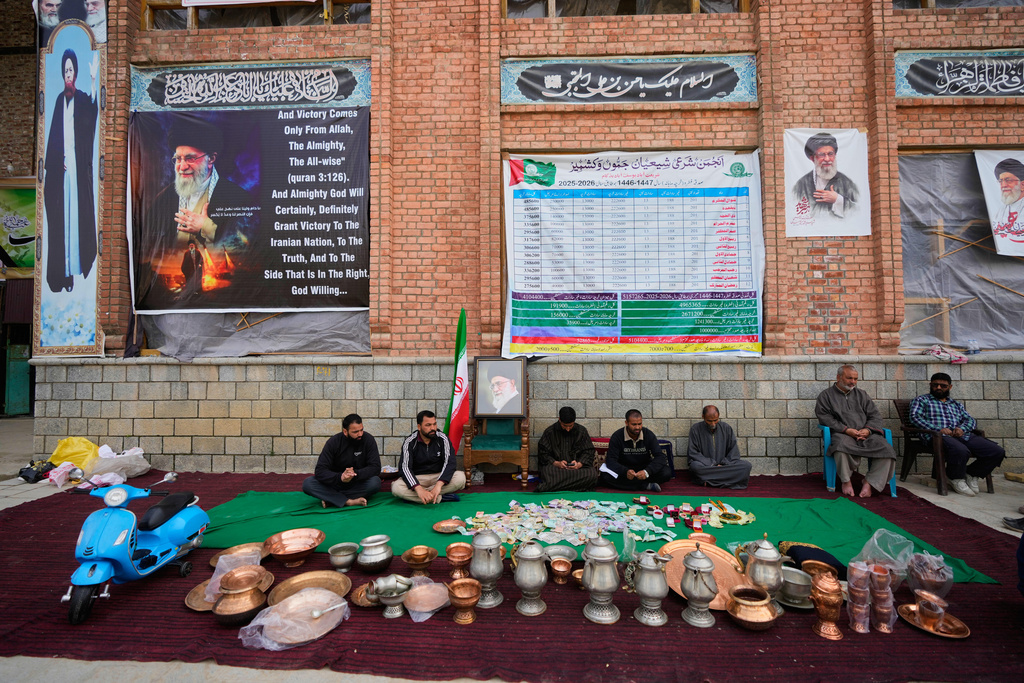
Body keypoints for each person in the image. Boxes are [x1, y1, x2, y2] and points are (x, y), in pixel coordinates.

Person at [139, 118, 257, 304]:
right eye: (178, 158)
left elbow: (250, 249)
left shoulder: (237, 197)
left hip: (222, 298)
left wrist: (207, 227)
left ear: (211, 159)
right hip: (170, 297)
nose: (182, 166)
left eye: (190, 158)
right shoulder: (163, 200)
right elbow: (148, 248)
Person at [44, 48, 98, 294]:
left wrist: (95, 80)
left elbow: (94, 111)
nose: (68, 74)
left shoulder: (82, 98)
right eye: (65, 70)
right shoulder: (58, 100)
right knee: (61, 221)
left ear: (76, 73)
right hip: (62, 172)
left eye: (71, 70)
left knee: (75, 219)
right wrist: (57, 162)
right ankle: (62, 275)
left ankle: (74, 271)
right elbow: (54, 139)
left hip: (77, 172)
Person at [910, 372, 1005, 497]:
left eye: (943, 386)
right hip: (936, 437)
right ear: (930, 385)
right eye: (935, 385)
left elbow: (970, 420)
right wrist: (939, 429)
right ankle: (955, 478)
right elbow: (915, 418)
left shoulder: (956, 404)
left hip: (961, 435)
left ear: (950, 387)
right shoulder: (922, 400)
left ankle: (972, 474)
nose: (938, 388)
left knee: (996, 451)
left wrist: (962, 428)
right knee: (960, 450)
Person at [814, 365, 897, 498]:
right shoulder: (826, 396)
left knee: (886, 449)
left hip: (866, 435)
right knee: (839, 447)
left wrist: (868, 430)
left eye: (856, 379)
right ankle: (846, 481)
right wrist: (846, 430)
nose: (853, 382)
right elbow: (824, 417)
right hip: (842, 434)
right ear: (838, 377)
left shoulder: (862, 395)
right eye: (849, 378)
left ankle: (869, 482)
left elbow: (875, 416)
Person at [301, 413, 382, 508]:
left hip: (357, 482)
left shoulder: (368, 440)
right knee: (308, 484)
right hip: (335, 483)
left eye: (361, 430)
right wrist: (341, 477)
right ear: (345, 431)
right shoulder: (333, 442)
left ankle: (332, 499)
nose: (360, 434)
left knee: (375, 482)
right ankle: (349, 501)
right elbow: (320, 470)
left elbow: (375, 467)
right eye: (355, 432)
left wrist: (355, 474)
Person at [393, 410, 467, 504]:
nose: (433, 428)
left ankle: (417, 497)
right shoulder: (410, 442)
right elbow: (405, 468)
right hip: (418, 479)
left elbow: (450, 463)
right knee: (396, 488)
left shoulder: (442, 438)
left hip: (438, 477)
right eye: (428, 425)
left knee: (460, 478)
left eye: (434, 424)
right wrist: (419, 489)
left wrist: (439, 485)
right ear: (419, 427)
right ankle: (440, 498)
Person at [599, 409, 671, 492]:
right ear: (626, 423)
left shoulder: (648, 434)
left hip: (644, 468)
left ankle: (633, 484)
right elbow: (611, 460)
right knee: (605, 476)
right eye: (634, 424)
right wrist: (625, 471)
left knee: (666, 472)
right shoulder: (617, 436)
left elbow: (660, 456)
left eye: (639, 424)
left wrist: (647, 471)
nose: (637, 427)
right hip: (625, 471)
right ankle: (646, 485)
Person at [791, 132, 859, 219]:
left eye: (830, 154)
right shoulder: (800, 185)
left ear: (835, 155)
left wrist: (838, 199)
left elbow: (859, 212)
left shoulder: (848, 184)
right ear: (813, 158)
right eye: (822, 155)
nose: (827, 159)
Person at [536, 406, 599, 493]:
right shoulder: (550, 432)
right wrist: (556, 463)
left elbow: (588, 451)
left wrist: (579, 464)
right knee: (547, 472)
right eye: (565, 426)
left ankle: (554, 486)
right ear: (559, 420)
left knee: (592, 475)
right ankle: (576, 486)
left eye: (571, 426)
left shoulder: (582, 431)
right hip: (557, 469)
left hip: (576, 469)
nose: (568, 429)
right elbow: (543, 453)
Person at [687, 405, 751, 489]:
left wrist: (723, 464)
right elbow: (693, 452)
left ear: (719, 416)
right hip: (706, 466)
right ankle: (729, 481)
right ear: (703, 417)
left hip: (724, 465)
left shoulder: (726, 428)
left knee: (746, 466)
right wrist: (712, 464)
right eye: (709, 421)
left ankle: (710, 482)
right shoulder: (695, 429)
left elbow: (733, 451)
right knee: (695, 467)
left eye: (715, 420)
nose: (713, 424)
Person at [991, 158, 1024, 240]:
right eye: (1000, 181)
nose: (1003, 185)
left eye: (1008, 180)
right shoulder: (1000, 211)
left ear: (1022, 185)